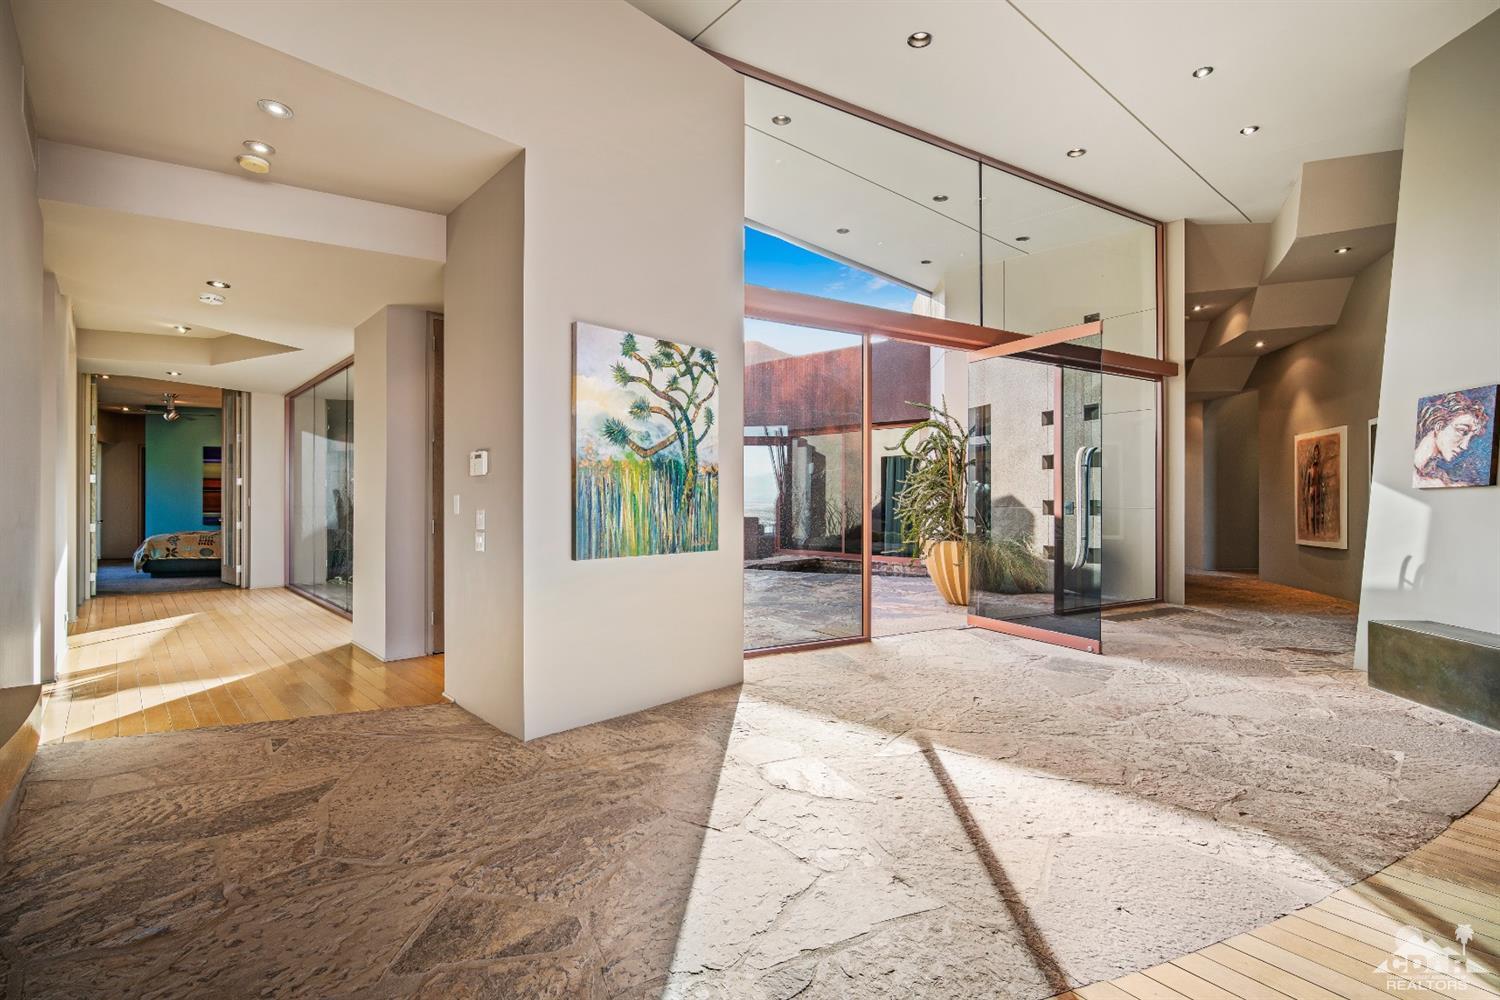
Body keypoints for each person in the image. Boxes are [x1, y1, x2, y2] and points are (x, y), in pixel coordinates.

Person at [1413, 392, 1491, 487]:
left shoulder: (1440, 477)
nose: (1465, 446)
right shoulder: (1416, 477)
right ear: (1439, 426)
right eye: (1462, 431)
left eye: (1471, 437)